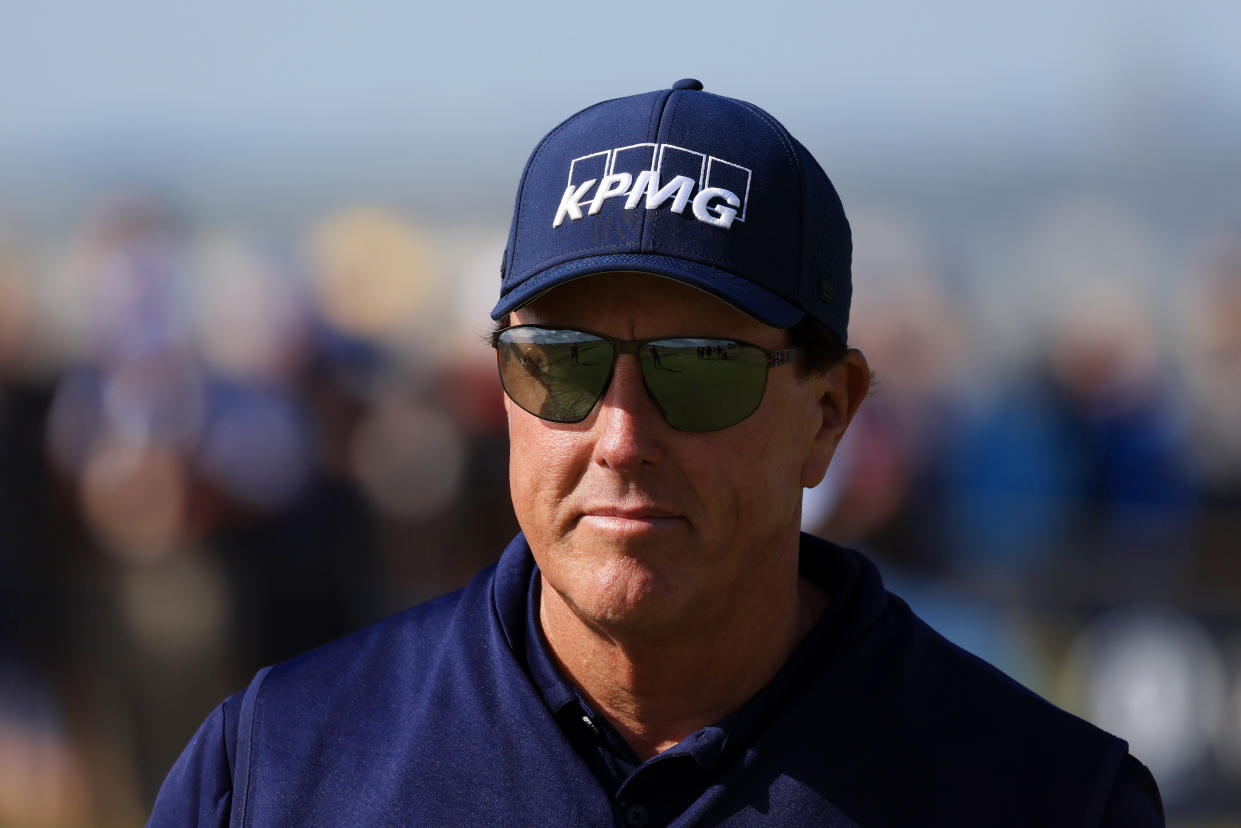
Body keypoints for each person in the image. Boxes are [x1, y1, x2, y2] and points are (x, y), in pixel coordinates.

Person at [149, 79, 1163, 827]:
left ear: (829, 413)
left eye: (701, 368)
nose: (621, 436)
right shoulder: (281, 766)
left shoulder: (1043, 799)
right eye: (560, 364)